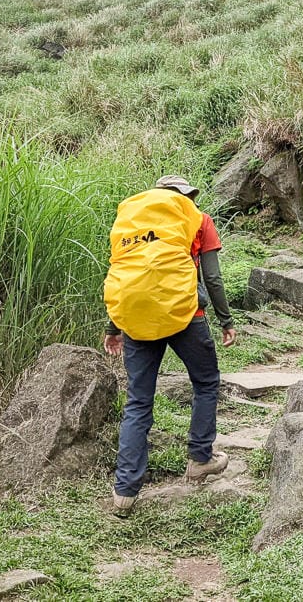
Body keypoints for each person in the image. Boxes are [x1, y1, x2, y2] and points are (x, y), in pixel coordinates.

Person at [102, 175, 237, 513]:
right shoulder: (199, 219)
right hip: (186, 315)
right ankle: (200, 459)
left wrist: (114, 326)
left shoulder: (133, 221)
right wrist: (226, 320)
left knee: (138, 402)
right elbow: (213, 277)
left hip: (136, 318)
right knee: (205, 382)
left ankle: (124, 492)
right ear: (185, 195)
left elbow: (126, 273)